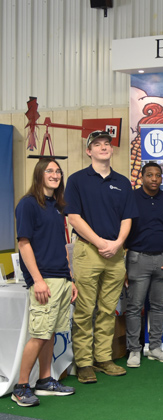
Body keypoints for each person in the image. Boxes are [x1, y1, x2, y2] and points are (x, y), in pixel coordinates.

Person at [66, 130, 138, 384]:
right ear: (89, 151)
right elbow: (73, 216)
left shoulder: (122, 181)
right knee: (85, 309)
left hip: (116, 254)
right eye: (97, 144)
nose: (103, 147)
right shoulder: (76, 180)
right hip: (88, 250)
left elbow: (127, 217)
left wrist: (118, 243)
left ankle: (103, 358)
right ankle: (84, 362)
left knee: (109, 309)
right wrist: (99, 243)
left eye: (106, 144)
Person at [12, 159, 77, 407]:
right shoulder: (28, 204)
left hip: (60, 277)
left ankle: (45, 380)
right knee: (39, 334)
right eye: (49, 170)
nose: (55, 174)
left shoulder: (58, 207)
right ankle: (21, 386)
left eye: (58, 171)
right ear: (39, 174)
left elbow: (61, 245)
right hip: (44, 280)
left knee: (50, 332)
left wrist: (69, 279)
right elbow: (24, 244)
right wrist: (37, 280)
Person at [124, 162, 163, 368]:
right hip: (137, 259)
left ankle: (155, 348)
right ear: (142, 177)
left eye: (158, 175)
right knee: (134, 307)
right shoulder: (130, 199)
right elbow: (122, 231)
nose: (154, 179)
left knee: (158, 306)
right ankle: (134, 350)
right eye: (150, 175)